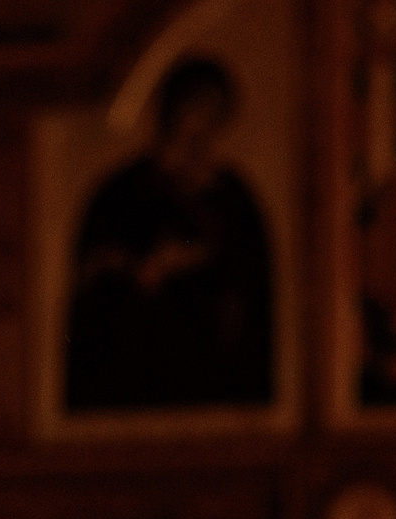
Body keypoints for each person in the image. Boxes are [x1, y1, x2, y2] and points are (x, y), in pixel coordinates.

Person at [65, 56, 275, 411]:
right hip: (137, 359)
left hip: (210, 366)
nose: (200, 126)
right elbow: (92, 271)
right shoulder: (123, 190)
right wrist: (140, 269)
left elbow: (251, 280)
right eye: (193, 109)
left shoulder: (232, 194)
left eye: (213, 114)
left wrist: (197, 258)